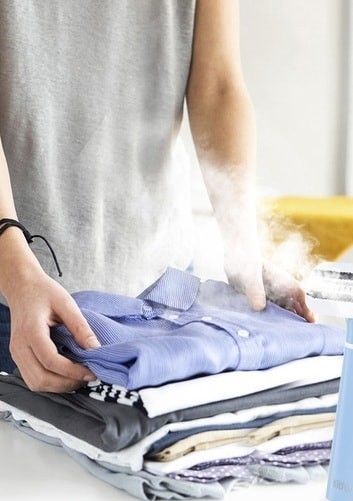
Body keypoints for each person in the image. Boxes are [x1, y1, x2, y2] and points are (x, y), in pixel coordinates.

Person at [0, 0, 313, 394]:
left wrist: (242, 246)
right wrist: (15, 272)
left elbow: (217, 86)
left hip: (165, 291)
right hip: (17, 293)